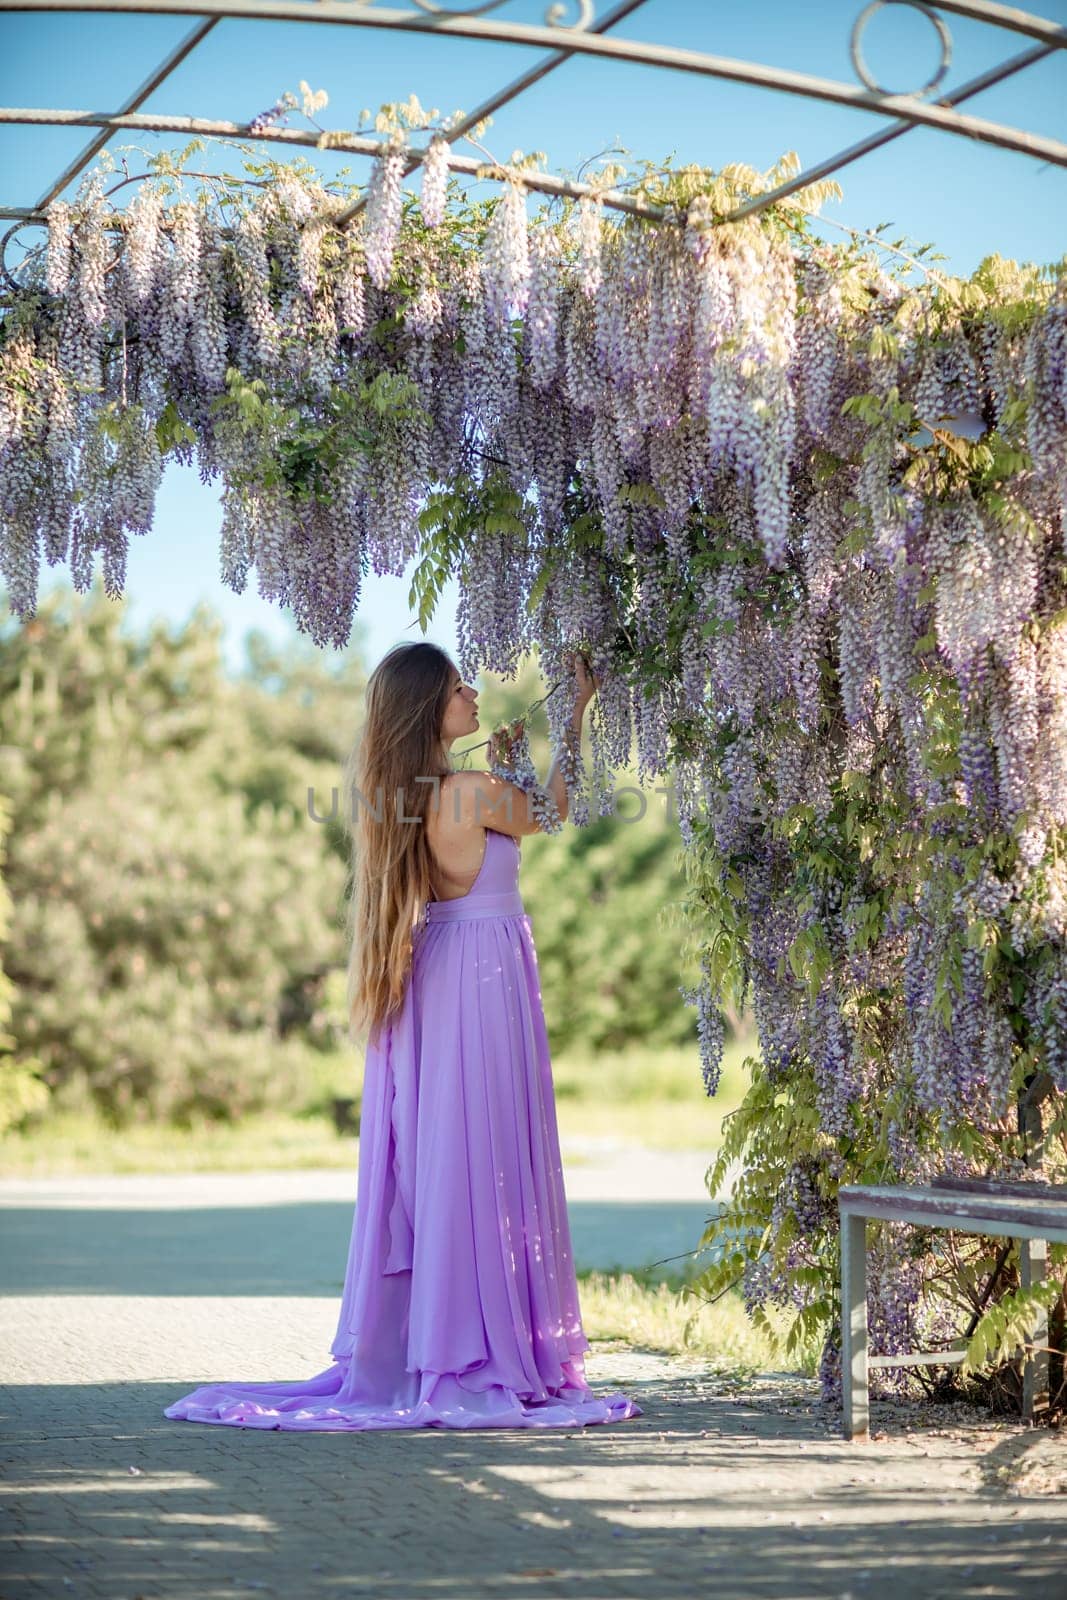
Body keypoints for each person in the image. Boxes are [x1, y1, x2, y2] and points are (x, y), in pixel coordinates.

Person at [162, 641, 642, 1431]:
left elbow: (505, 818)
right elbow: (556, 811)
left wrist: (511, 766)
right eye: (459, 689)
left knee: (454, 1154)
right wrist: (578, 714)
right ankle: (481, 1347)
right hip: (483, 973)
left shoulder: (415, 794)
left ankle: (450, 1334)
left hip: (440, 972)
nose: (474, 695)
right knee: (484, 1154)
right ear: (430, 710)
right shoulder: (468, 790)